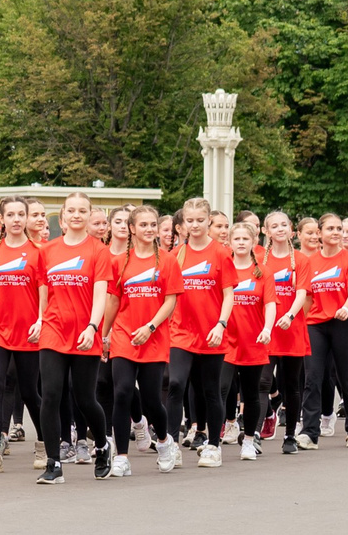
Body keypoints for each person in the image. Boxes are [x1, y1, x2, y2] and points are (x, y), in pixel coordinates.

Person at [94, 203, 178, 476]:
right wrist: (104, 335)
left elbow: (170, 301)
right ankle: (121, 457)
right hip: (123, 335)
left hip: (153, 337)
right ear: (132, 228)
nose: (149, 229)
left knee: (152, 400)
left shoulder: (167, 260)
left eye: (153, 224)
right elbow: (113, 301)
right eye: (143, 225)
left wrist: (150, 327)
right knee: (122, 393)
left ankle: (164, 441)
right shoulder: (119, 262)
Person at [36, 194, 109, 482]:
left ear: (90, 215)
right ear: (63, 215)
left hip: (85, 333)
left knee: (85, 399)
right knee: (51, 395)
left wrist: (93, 327)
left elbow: (101, 294)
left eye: (82, 210)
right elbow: (44, 293)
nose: (77, 215)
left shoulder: (98, 250)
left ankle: (102, 446)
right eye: (71, 210)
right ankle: (53, 463)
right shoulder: (48, 250)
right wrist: (40, 320)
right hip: (53, 331)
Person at [0, 199, 43, 474]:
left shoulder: (39, 252)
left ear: (26, 218)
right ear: (1, 219)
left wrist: (41, 322)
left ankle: (44, 443)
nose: (16, 219)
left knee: (29, 391)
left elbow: (44, 294)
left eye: (21, 214)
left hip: (27, 332)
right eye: (10, 214)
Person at [163, 198, 228, 466]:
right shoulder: (176, 255)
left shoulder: (221, 253)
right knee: (176, 383)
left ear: (208, 221)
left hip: (211, 332)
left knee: (210, 390)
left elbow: (229, 294)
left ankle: (213, 445)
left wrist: (221, 324)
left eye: (200, 220)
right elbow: (167, 295)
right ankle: (170, 445)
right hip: (181, 331)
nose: (195, 225)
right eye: (190, 220)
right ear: (183, 224)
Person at [300, 215, 348, 449]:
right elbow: (307, 297)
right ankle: (309, 432)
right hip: (315, 325)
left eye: (339, 228)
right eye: (331, 228)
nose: (336, 232)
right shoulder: (309, 262)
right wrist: (300, 322)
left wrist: (346, 307)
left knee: (346, 377)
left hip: (343, 322)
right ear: (319, 233)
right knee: (312, 378)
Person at [216, 219, 276, 462]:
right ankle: (213, 441)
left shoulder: (263, 272)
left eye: (245, 239)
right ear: (229, 242)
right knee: (220, 390)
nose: (241, 243)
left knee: (251, 394)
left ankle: (249, 440)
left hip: (253, 341)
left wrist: (267, 328)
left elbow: (270, 304)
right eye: (237, 239)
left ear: (254, 242)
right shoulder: (222, 269)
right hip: (225, 341)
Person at [261, 211, 310, 454]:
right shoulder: (259, 259)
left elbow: (302, 293)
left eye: (284, 225)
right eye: (274, 226)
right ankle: (254, 434)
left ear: (291, 230)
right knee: (262, 381)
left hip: (291, 329)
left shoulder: (300, 260)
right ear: (266, 231)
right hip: (265, 331)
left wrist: (289, 315)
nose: (280, 229)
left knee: (292, 385)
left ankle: (290, 435)